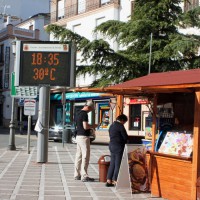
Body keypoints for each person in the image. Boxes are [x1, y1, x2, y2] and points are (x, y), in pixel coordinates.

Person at [74, 100, 97, 182]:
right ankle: (84, 175)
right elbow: (85, 126)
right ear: (88, 107)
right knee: (85, 156)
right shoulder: (84, 114)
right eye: (91, 109)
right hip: (84, 137)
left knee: (78, 156)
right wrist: (94, 125)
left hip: (78, 136)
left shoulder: (78, 113)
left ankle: (76, 174)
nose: (90, 111)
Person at [105, 114, 128, 187]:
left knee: (112, 163)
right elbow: (125, 137)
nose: (124, 123)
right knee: (118, 164)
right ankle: (115, 180)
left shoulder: (112, 125)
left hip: (111, 145)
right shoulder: (120, 126)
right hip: (118, 146)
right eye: (124, 122)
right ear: (122, 120)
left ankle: (108, 180)